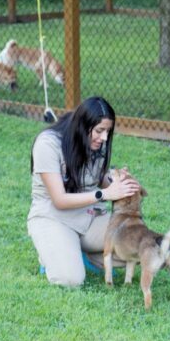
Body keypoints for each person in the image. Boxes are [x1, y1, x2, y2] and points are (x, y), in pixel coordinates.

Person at [27, 97, 140, 287]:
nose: (104, 138)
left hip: (88, 217)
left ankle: (78, 254)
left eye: (108, 131)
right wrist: (104, 194)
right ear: (83, 125)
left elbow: (99, 178)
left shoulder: (96, 142)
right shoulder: (48, 144)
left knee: (140, 247)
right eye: (99, 131)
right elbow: (59, 200)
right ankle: (56, 253)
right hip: (54, 217)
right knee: (70, 279)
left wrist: (117, 183)